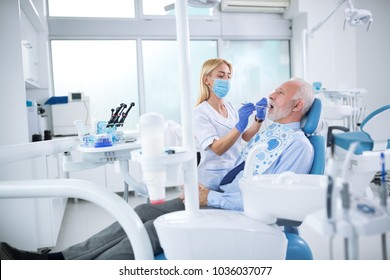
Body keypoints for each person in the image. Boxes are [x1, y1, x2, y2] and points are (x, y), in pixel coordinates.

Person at [0, 78, 315, 260]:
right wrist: (198, 185)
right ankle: (57, 259)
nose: (270, 94)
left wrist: (211, 199)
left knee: (151, 231)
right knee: (140, 213)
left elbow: (271, 204)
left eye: (279, 93)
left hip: (242, 217)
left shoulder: (298, 146)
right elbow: (238, 171)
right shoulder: (269, 133)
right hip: (219, 200)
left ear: (298, 105)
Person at [194, 58, 267, 189]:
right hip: (211, 180)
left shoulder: (230, 108)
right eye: (220, 76)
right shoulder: (200, 113)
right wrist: (239, 126)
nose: (226, 81)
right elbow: (217, 149)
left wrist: (258, 119)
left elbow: (244, 137)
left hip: (233, 173)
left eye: (228, 76)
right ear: (206, 80)